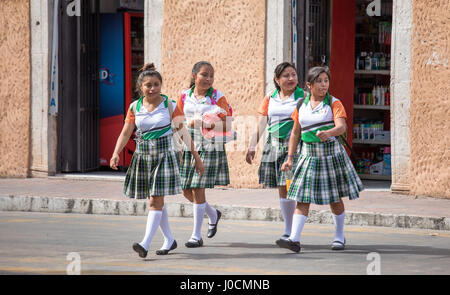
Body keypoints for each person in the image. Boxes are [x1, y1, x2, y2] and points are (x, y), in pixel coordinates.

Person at [110, 63, 204, 258]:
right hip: (143, 156)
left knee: (155, 199)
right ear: (140, 87)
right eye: (148, 85)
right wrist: (115, 153)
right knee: (156, 200)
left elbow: (183, 132)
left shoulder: (169, 105)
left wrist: (196, 157)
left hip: (165, 156)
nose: (152, 88)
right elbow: (126, 131)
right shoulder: (134, 107)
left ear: (161, 85)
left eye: (156, 84)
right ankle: (169, 239)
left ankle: (144, 244)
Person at [278, 66, 363, 253]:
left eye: (326, 81)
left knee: (335, 198)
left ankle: (339, 236)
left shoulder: (334, 103)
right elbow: (295, 133)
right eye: (319, 81)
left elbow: (341, 127)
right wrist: (290, 158)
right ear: (309, 85)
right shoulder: (301, 105)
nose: (324, 85)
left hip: (330, 155)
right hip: (308, 155)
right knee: (302, 198)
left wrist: (329, 132)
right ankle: (294, 239)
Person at [172, 61, 232, 248]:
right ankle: (213, 214)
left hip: (209, 144)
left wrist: (207, 124)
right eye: (204, 75)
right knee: (185, 190)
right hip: (188, 144)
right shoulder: (184, 95)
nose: (208, 79)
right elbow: (177, 121)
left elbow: (228, 125)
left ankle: (196, 236)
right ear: (194, 75)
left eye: (211, 76)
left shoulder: (217, 97)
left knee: (198, 188)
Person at [245, 62, 304, 242]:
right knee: (282, 187)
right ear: (277, 80)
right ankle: (288, 229)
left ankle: (294, 230)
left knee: (292, 185)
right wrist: (252, 145)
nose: (291, 79)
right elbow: (262, 123)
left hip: (296, 145)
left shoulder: (304, 97)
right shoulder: (270, 97)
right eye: (286, 76)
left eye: (293, 74)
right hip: (274, 144)